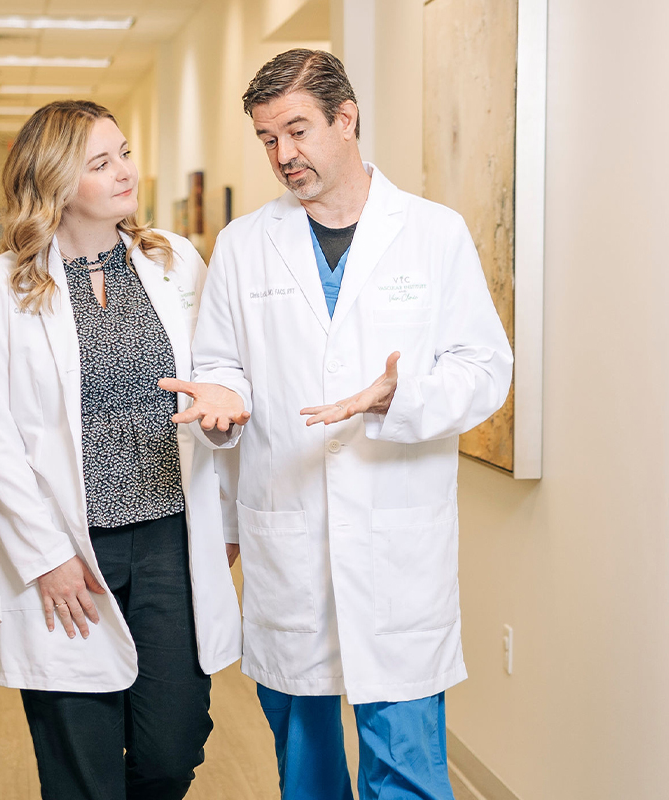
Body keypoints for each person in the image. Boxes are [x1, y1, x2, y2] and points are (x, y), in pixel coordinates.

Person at [161, 50, 514, 800]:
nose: (283, 155)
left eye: (297, 130)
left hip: (397, 549)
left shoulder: (432, 234)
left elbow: (486, 370)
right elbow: (224, 366)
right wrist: (220, 407)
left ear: (345, 118)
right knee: (307, 774)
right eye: (267, 139)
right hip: (288, 540)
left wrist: (396, 395)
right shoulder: (244, 246)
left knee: (408, 771)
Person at [0, 100, 242, 800]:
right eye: (101, 162)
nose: (126, 172)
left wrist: (222, 423)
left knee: (172, 749)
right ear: (54, 180)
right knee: (81, 771)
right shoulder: (4, 287)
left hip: (170, 537)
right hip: (70, 555)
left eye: (125, 152)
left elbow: (220, 382)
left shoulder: (173, 261)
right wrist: (45, 556)